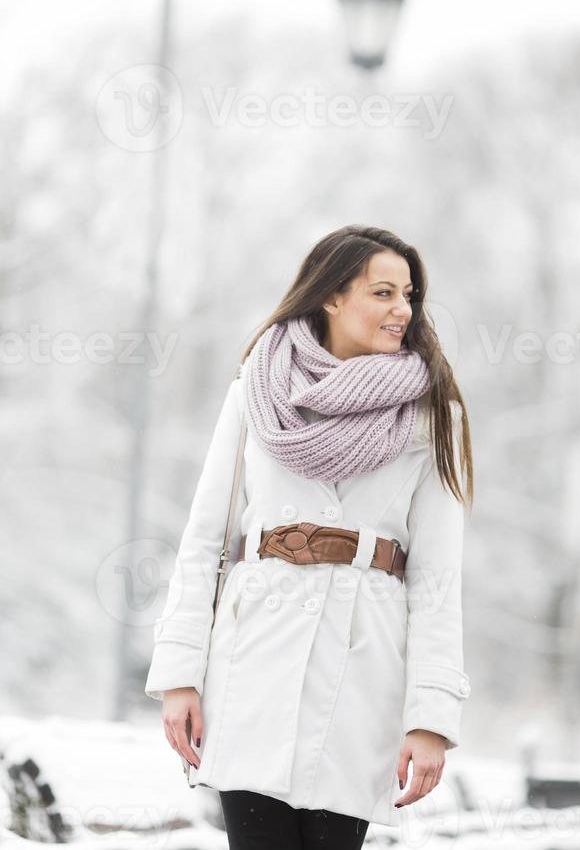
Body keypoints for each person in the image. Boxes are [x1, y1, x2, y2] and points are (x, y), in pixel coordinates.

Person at [144, 224, 474, 849]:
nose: (402, 309)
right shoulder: (255, 391)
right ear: (330, 296)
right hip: (252, 661)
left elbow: (438, 577)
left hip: (360, 669)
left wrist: (431, 717)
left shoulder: (434, 416)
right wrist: (180, 675)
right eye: (383, 292)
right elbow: (203, 539)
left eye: (409, 295)